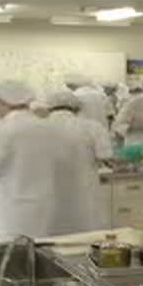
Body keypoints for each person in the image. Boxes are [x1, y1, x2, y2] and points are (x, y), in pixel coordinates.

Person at [0, 80, 91, 241]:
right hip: (48, 207)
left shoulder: (4, 129)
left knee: (13, 251)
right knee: (43, 249)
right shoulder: (49, 128)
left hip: (14, 211)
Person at [44, 89, 114, 232]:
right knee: (85, 235)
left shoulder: (37, 128)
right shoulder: (92, 127)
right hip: (84, 191)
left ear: (49, 108)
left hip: (48, 194)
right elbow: (106, 156)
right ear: (77, 108)